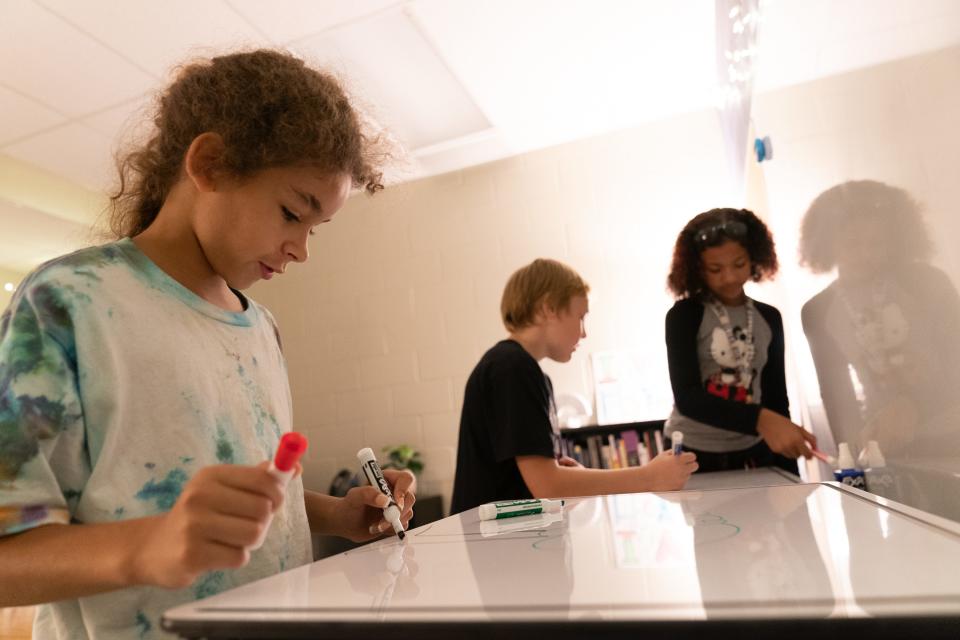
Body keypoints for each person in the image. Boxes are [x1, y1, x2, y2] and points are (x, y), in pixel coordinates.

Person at [0, 49, 416, 639]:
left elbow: (247, 501)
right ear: (211, 164)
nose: (301, 249)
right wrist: (147, 547)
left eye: (313, 228)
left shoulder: (261, 327)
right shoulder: (69, 303)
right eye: (292, 212)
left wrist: (334, 514)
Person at [450, 258, 697, 514]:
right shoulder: (512, 368)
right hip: (498, 547)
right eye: (580, 317)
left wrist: (573, 479)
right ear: (549, 309)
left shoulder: (518, 368)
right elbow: (548, 485)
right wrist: (648, 477)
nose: (583, 333)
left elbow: (541, 480)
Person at [799, 181, 960, 465]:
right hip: (887, 452)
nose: (866, 253)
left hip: (952, 434)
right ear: (827, 245)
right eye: (852, 243)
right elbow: (838, 397)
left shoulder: (929, 282)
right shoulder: (818, 311)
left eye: (877, 242)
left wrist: (914, 406)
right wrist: (851, 466)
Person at [663, 208, 816, 474]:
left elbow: (776, 398)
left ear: (754, 258)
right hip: (694, 452)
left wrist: (790, 473)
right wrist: (761, 420)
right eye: (715, 269)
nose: (730, 277)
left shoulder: (769, 317)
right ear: (698, 269)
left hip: (754, 450)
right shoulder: (684, 315)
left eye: (739, 264)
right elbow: (688, 397)